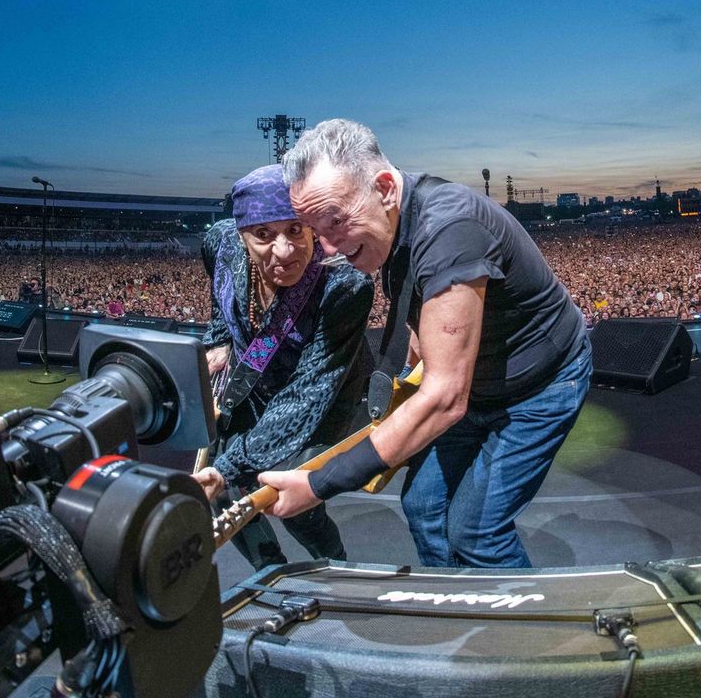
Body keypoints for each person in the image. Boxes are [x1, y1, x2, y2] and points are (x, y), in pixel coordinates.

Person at [260, 119, 592, 568]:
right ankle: (459, 602)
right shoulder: (396, 222)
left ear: (384, 188)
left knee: (478, 532)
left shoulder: (451, 229)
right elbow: (423, 327)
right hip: (481, 384)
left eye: (335, 223)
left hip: (540, 388)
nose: (329, 247)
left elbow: (444, 399)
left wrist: (320, 483)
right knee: (424, 509)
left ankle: (524, 633)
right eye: (318, 232)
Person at [193, 163, 374, 571]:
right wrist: (221, 334)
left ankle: (334, 567)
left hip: (323, 392)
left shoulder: (345, 285)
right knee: (223, 492)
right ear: (241, 236)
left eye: (295, 229)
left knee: (288, 490)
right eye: (263, 235)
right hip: (255, 383)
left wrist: (228, 466)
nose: (284, 251)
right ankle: (270, 572)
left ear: (312, 225)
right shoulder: (220, 242)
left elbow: (305, 398)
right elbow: (219, 286)